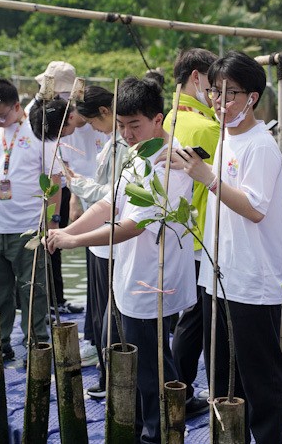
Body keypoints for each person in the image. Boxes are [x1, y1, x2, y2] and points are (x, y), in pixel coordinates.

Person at [46, 76, 195, 444]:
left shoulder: (170, 163)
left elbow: (132, 225)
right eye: (123, 125)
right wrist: (70, 229)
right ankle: (152, 425)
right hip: (130, 274)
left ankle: (159, 433)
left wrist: (74, 239)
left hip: (152, 279)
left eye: (135, 125)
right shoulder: (135, 153)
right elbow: (110, 204)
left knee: (152, 368)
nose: (127, 133)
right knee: (132, 357)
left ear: (158, 120)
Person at [171, 51, 282, 443]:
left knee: (262, 380)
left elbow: (255, 208)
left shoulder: (260, 145)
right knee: (220, 375)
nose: (220, 102)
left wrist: (209, 178)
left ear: (252, 97)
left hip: (253, 281)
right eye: (214, 93)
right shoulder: (222, 138)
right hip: (218, 274)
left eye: (230, 94)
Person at [0, 78, 60, 360]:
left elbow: (55, 178)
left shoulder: (38, 131)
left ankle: (37, 343)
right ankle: (0, 343)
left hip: (27, 227)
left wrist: (53, 221)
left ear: (17, 106)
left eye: (2, 116)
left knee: (33, 288)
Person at [164, 48, 219, 418]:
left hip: (176, 232)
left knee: (190, 318)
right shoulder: (209, 128)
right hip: (204, 236)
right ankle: (189, 391)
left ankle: (178, 389)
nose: (216, 94)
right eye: (214, 85)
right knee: (202, 318)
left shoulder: (169, 117)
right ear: (197, 77)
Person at [68, 84, 128, 399]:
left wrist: (78, 184)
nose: (93, 128)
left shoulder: (122, 145)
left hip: (113, 239)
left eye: (92, 122)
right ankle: (107, 375)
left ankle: (113, 379)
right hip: (100, 240)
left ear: (105, 112)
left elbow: (113, 197)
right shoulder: (111, 142)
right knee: (101, 313)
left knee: (112, 316)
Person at [30, 61, 89, 316]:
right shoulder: (38, 112)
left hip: (68, 185)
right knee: (47, 240)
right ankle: (44, 303)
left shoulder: (73, 112)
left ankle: (57, 299)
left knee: (57, 242)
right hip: (42, 185)